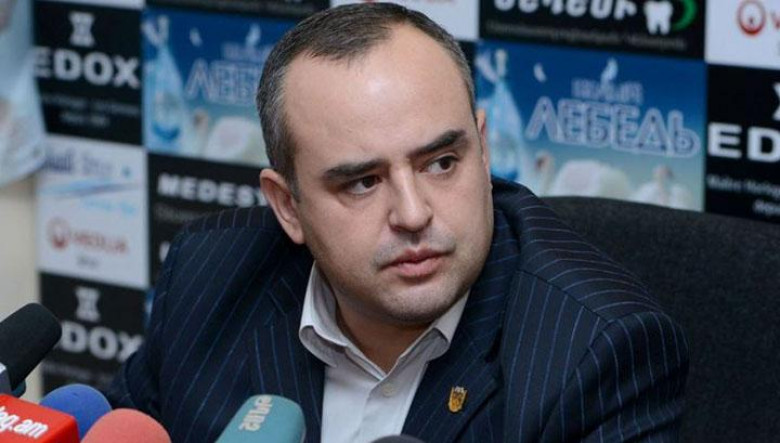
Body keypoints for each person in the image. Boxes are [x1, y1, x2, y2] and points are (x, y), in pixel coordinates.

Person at [107, 4, 688, 442]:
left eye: (441, 163)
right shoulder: (210, 278)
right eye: (362, 182)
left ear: (483, 150)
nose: (413, 214)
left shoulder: (597, 350)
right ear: (288, 206)